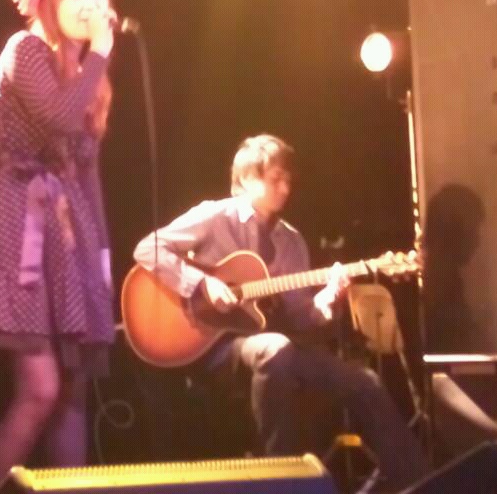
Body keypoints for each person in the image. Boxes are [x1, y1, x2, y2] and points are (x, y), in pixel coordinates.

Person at [132, 134, 429, 493]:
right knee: (275, 348)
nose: (286, 188)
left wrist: (328, 298)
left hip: (271, 347)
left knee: (366, 382)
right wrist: (201, 283)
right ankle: (281, 481)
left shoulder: (291, 241)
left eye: (289, 179)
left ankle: (422, 485)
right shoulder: (215, 216)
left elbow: (301, 316)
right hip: (212, 348)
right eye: (276, 179)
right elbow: (147, 248)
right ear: (246, 178)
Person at [0, 0, 117, 494]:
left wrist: (99, 261)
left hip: (62, 233)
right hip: (16, 220)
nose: (90, 4)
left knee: (70, 393)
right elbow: (58, 118)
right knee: (40, 390)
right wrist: (100, 55)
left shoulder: (82, 76)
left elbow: (84, 168)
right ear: (49, 3)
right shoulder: (25, 50)